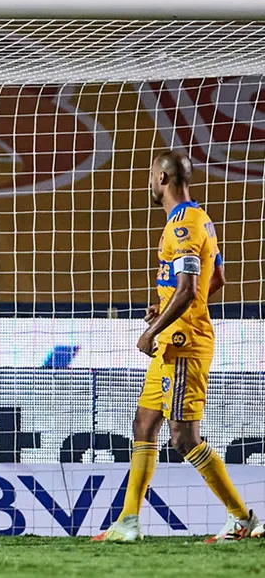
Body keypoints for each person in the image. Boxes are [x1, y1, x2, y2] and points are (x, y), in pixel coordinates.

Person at [94, 150, 263, 543]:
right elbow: (215, 278)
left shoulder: (182, 227)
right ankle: (129, 522)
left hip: (183, 343)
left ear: (164, 178)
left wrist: (152, 331)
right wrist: (165, 302)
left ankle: (242, 518)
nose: (149, 183)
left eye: (152, 175)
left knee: (184, 438)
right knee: (144, 423)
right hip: (173, 340)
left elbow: (190, 289)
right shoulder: (199, 217)